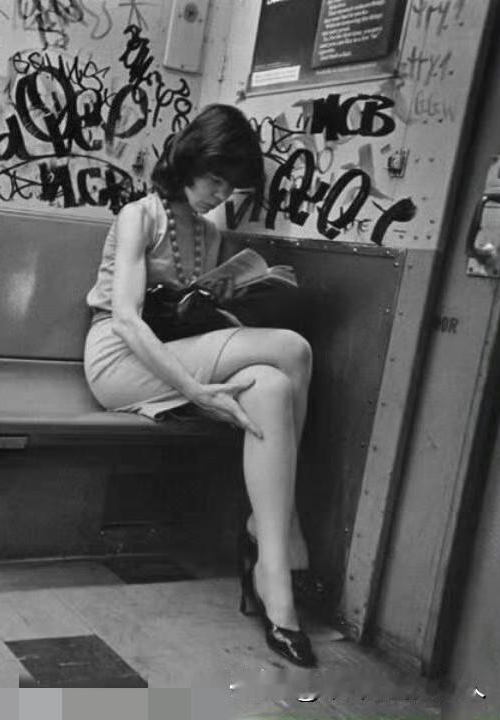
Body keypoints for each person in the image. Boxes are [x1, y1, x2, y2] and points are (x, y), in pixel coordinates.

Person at [83, 104, 317, 668]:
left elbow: (190, 314)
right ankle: (282, 527)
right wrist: (196, 389)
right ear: (189, 162)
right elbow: (127, 320)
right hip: (119, 360)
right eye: (215, 179)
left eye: (231, 186)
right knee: (293, 350)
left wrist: (223, 303)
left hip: (177, 353)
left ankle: (274, 580)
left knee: (271, 388)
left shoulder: (210, 232)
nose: (221, 194)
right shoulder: (139, 215)